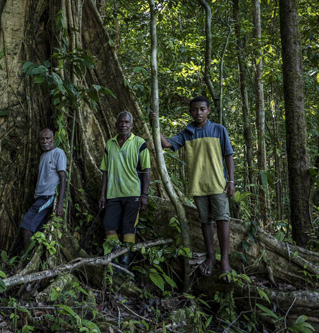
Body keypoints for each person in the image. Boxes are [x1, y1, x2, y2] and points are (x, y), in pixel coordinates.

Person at [150, 96, 235, 281]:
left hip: (218, 183)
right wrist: (154, 124)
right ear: (191, 112)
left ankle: (225, 260)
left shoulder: (219, 130)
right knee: (206, 222)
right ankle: (211, 257)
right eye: (195, 110)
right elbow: (167, 144)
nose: (199, 113)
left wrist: (231, 181)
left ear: (208, 110)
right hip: (199, 185)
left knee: (223, 219)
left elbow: (228, 154)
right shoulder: (187, 133)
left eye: (202, 109)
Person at [99, 111, 151, 267]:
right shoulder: (110, 144)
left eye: (127, 122)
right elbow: (105, 171)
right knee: (109, 226)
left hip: (132, 193)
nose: (123, 124)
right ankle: (114, 259)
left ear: (132, 125)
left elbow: (146, 170)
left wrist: (144, 195)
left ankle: (125, 262)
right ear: (116, 125)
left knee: (128, 228)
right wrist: (102, 195)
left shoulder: (140, 143)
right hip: (113, 194)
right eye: (121, 122)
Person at [20, 129, 67, 249]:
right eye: (42, 139)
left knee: (26, 225)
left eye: (48, 138)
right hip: (39, 197)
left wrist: (60, 203)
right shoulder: (43, 155)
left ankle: (26, 260)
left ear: (53, 139)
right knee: (38, 230)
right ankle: (34, 259)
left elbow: (62, 177)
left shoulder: (58, 153)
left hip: (48, 197)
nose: (45, 141)